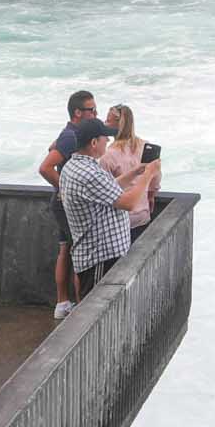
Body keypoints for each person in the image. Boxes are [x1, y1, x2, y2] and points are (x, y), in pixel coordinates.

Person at [55, 120, 157, 299]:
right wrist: (148, 175)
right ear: (94, 143)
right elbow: (129, 203)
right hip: (100, 258)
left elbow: (108, 189)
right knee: (94, 308)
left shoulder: (74, 166)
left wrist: (136, 172)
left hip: (95, 255)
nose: (108, 141)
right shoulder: (89, 173)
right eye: (105, 138)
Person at [36, 89, 100, 318]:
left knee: (66, 249)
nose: (96, 114)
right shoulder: (71, 136)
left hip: (62, 202)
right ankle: (79, 307)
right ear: (78, 112)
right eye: (92, 110)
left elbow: (53, 150)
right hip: (65, 203)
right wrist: (65, 188)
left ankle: (63, 303)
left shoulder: (70, 134)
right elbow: (45, 167)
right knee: (80, 251)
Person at [103, 104, 162, 234]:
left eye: (107, 120)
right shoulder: (145, 146)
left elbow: (104, 190)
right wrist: (151, 196)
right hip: (143, 215)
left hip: (121, 222)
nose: (104, 123)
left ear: (118, 124)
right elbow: (156, 175)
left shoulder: (108, 155)